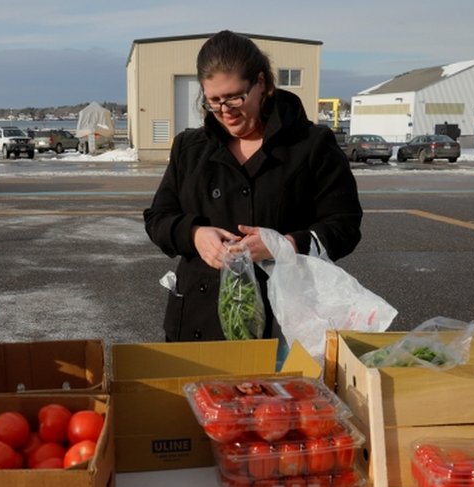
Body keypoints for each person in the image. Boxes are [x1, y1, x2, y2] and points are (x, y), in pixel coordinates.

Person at [143, 30, 363, 342]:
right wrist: (194, 234)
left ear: (261, 83)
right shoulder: (190, 148)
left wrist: (286, 244)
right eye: (213, 100)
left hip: (285, 321)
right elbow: (158, 219)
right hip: (198, 322)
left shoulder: (311, 145)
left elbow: (345, 226)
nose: (225, 111)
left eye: (235, 97)